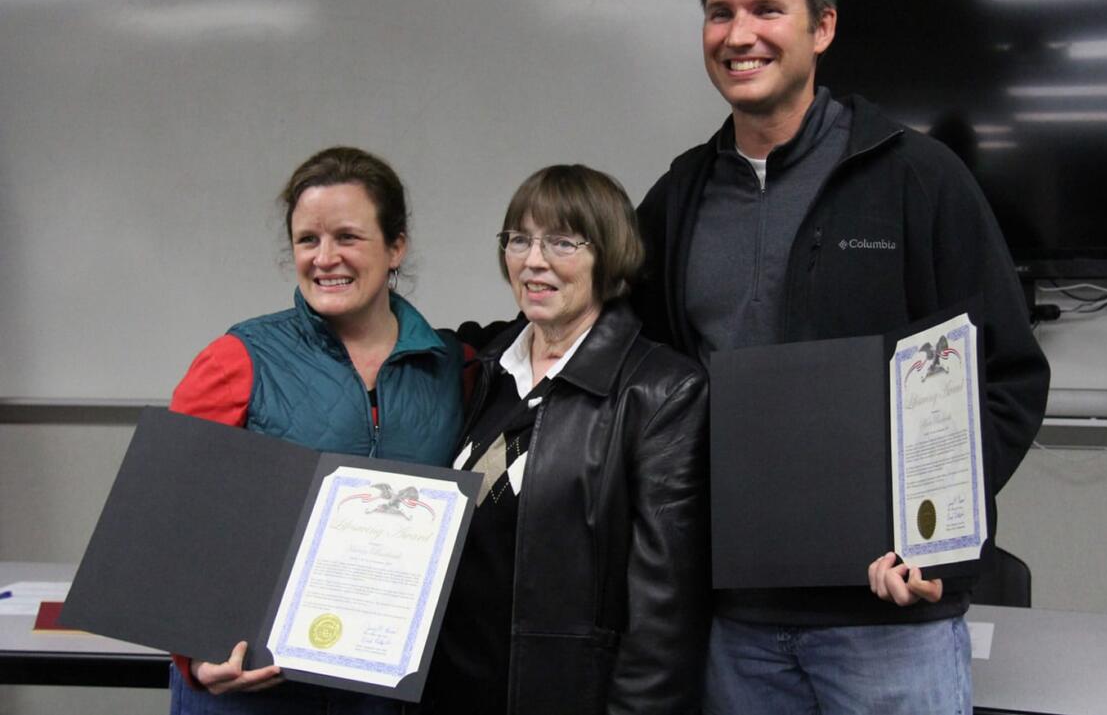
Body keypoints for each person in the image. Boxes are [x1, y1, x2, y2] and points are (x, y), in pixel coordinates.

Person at [633, 0, 1050, 714]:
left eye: (766, 9)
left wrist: (938, 536)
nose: (738, 35)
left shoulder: (917, 176)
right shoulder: (679, 197)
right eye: (719, 14)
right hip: (734, 621)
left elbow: (1005, 373)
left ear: (822, 27)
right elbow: (642, 377)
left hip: (889, 618)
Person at [168, 146, 465, 715]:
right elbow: (168, 518)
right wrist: (195, 659)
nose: (325, 258)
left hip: (381, 690)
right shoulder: (240, 357)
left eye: (348, 237)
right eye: (308, 240)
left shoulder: (451, 367)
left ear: (396, 246)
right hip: (252, 685)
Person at [425, 164, 710, 715]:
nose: (534, 260)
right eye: (519, 239)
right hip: (453, 689)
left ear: (609, 253)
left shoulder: (662, 391)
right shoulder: (485, 373)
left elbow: (666, 617)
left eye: (561, 241)